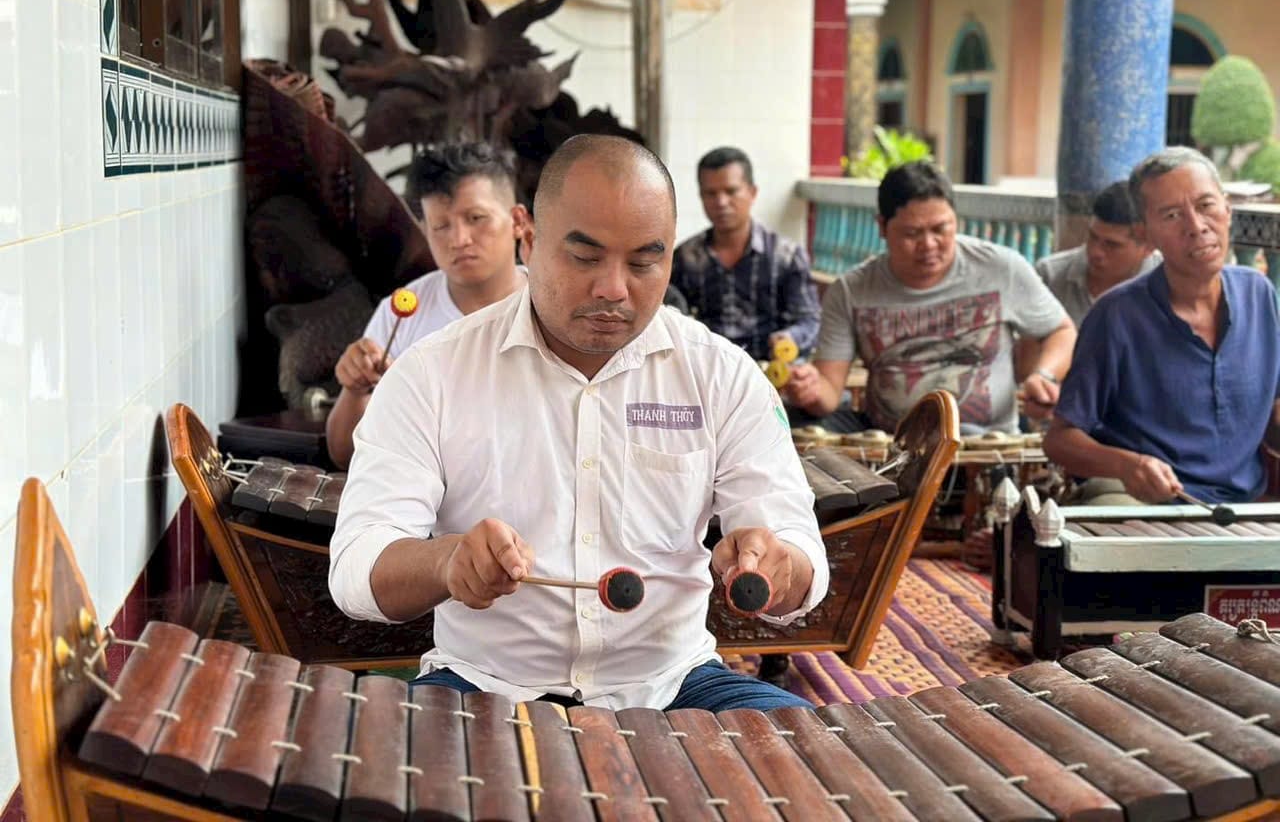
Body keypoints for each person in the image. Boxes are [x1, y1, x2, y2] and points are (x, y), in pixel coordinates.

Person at [329, 134, 828, 713]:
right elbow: (357, 567)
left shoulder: (721, 375)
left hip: (674, 684)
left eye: (645, 261)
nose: (614, 288)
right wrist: (447, 561)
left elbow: (799, 556)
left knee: (815, 761)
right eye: (585, 257)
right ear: (530, 239)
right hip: (485, 685)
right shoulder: (431, 373)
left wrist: (774, 562)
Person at [1045, 147, 1280, 506]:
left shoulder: (1259, 294)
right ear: (1146, 235)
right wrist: (1127, 465)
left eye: (1206, 206)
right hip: (1141, 501)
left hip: (1240, 503)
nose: (1196, 226)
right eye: (1171, 215)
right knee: (1113, 513)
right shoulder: (1116, 315)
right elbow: (1059, 439)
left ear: (1228, 209)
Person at [784, 160, 1076, 434]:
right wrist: (809, 389)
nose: (929, 245)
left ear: (956, 221)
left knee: (962, 434)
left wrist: (1045, 375)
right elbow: (830, 391)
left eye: (940, 229)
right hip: (889, 443)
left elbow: (1061, 331)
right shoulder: (851, 291)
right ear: (882, 227)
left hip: (982, 444)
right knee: (790, 426)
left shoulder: (1001, 268)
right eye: (912, 233)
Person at [325, 143, 529, 468]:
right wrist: (355, 391)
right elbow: (344, 455)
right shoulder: (403, 315)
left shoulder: (550, 308)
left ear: (518, 221)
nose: (459, 239)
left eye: (476, 218)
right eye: (441, 226)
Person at [670, 147, 820, 361]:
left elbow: (809, 321)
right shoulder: (685, 258)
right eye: (710, 193)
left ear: (752, 192)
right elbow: (670, 317)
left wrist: (789, 338)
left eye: (731, 191)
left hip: (772, 374)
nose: (721, 202)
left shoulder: (786, 256)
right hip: (704, 374)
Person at [1035, 180, 1157, 327]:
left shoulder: (1171, 284)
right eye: (1092, 237)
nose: (1095, 252)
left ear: (1148, 247)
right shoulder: (1050, 275)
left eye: (1112, 245)